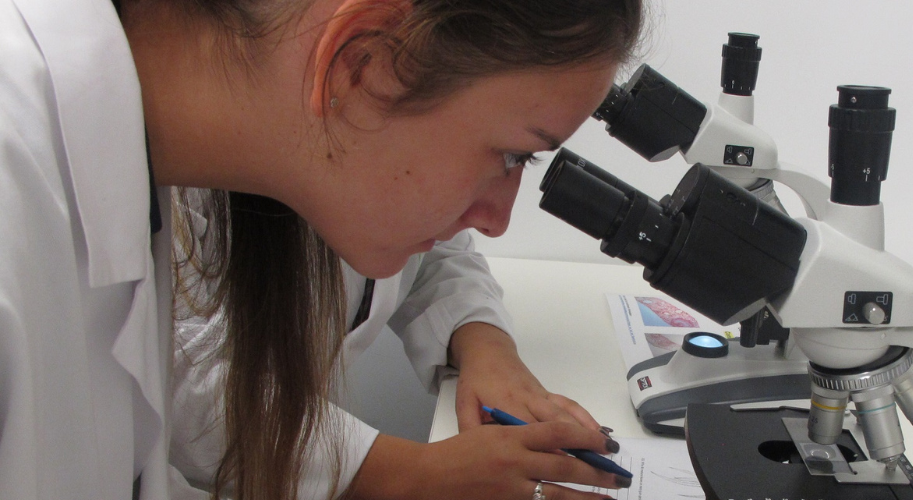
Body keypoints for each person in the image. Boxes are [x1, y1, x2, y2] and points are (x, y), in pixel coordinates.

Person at [0, 0, 643, 499]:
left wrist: (484, 343)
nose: (498, 220)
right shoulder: (20, 204)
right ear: (359, 63)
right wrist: (407, 477)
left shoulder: (142, 164)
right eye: (512, 155)